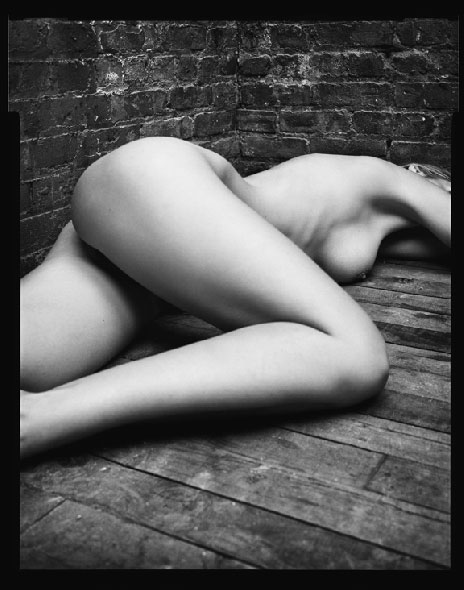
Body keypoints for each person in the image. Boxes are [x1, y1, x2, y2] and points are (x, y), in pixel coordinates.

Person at [20, 137, 451, 460]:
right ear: (427, 177)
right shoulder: (384, 175)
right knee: (356, 355)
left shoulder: (383, 223)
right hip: (153, 186)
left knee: (29, 361)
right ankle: (43, 416)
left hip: (136, 261)